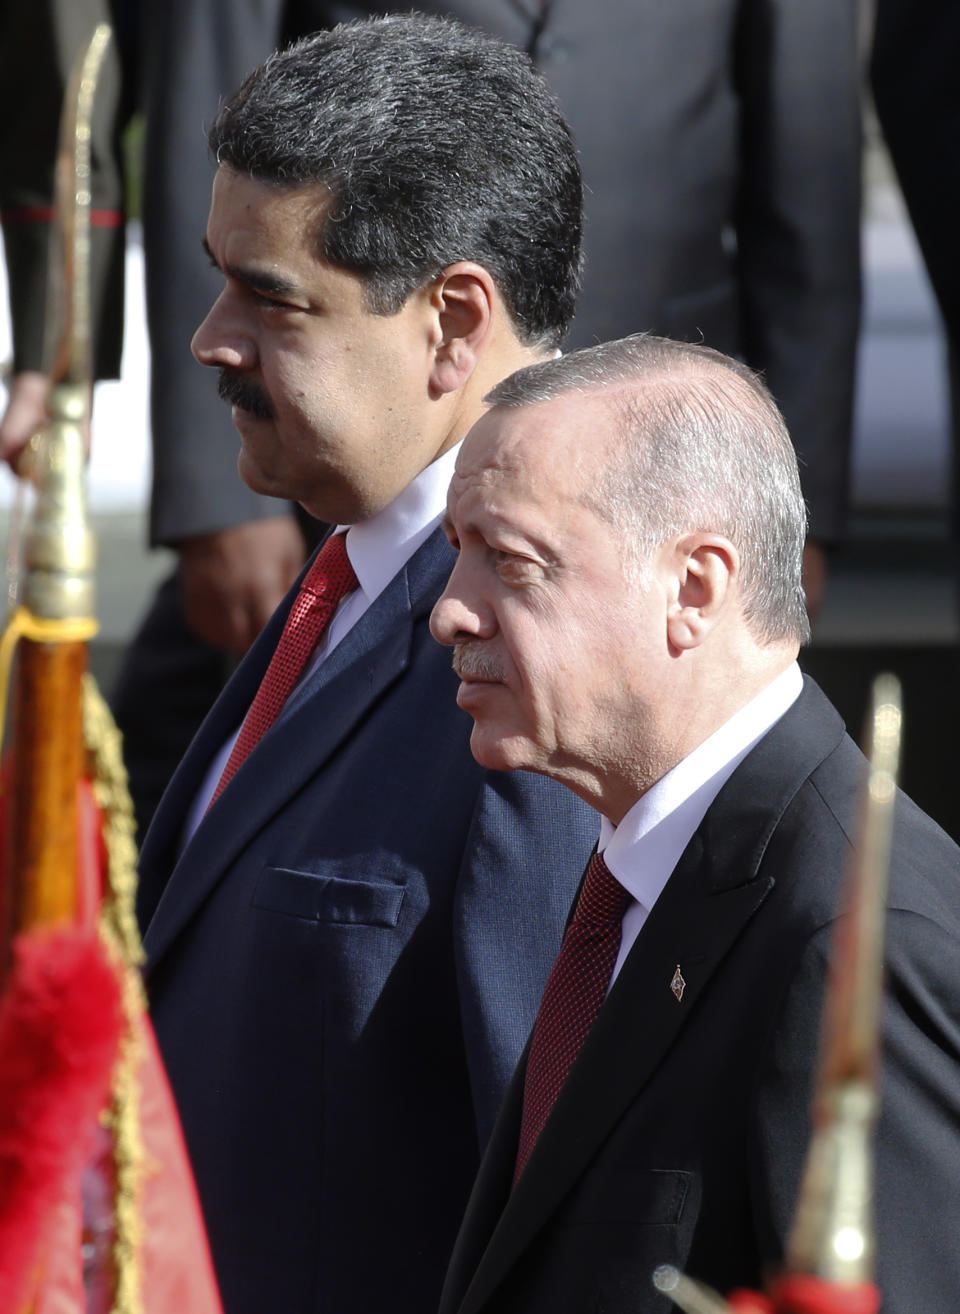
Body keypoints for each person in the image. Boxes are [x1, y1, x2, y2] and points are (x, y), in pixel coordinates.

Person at [134, 16, 598, 1314]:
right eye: (219, 278)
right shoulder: (343, 576)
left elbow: (541, 1197)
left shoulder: (539, 668)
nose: (210, 339)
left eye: (273, 299)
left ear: (453, 322)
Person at [431, 334, 960, 1314]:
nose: (451, 613)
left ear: (694, 589)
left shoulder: (853, 943)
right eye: (455, 555)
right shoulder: (642, 879)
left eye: (507, 559)